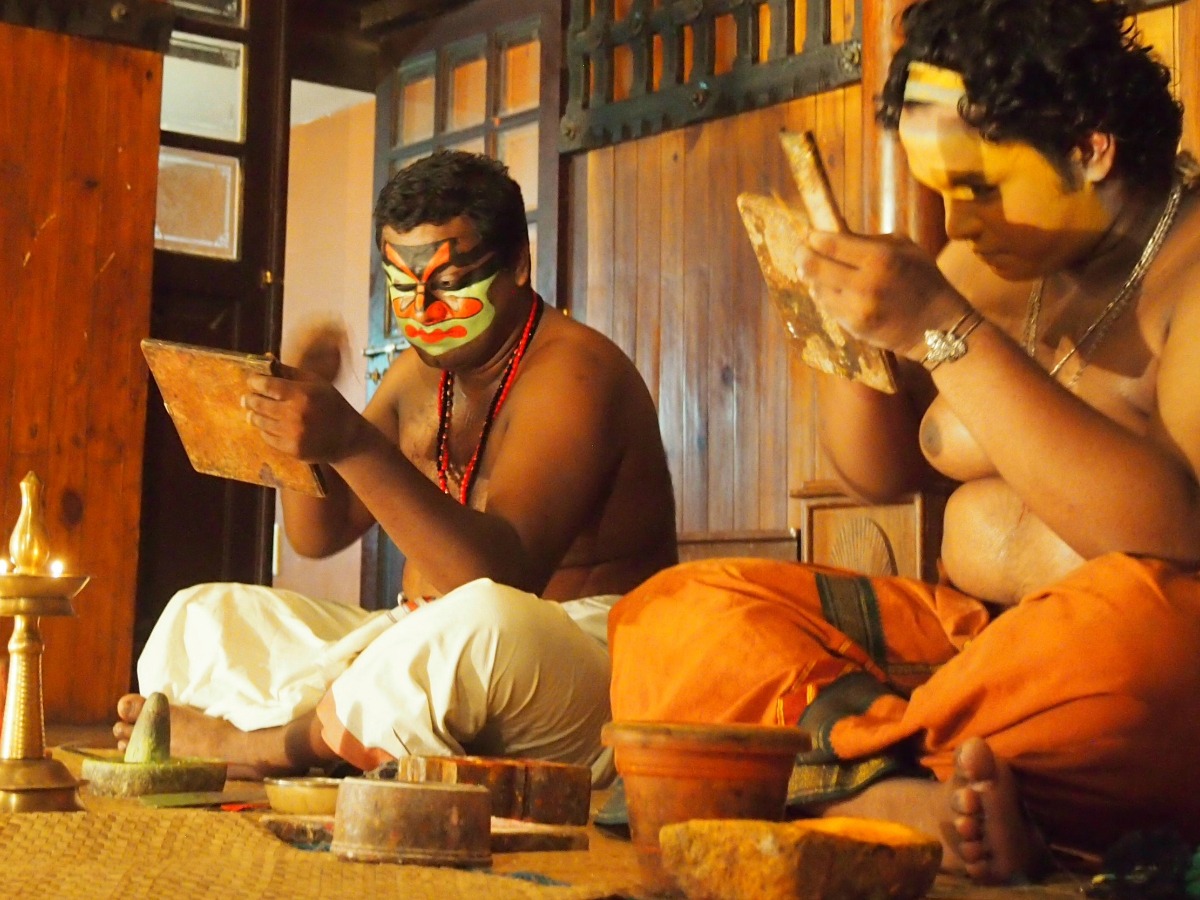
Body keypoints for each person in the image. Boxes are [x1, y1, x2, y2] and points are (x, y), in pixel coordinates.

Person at [607, 0, 1200, 884]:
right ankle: (902, 792)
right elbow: (878, 468)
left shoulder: (1186, 279)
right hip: (965, 653)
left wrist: (942, 327)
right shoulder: (986, 263)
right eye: (941, 191)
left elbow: (1176, 537)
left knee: (1142, 656)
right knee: (672, 612)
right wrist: (850, 330)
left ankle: (828, 777)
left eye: (979, 187)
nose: (956, 226)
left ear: (1090, 146)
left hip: (1087, 677)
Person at [116, 150, 678, 785]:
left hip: (575, 663)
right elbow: (318, 534)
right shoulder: (422, 376)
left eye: (446, 285)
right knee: (201, 618)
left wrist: (352, 441)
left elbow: (502, 579)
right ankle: (354, 732)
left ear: (519, 266)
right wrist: (297, 432)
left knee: (476, 627)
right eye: (403, 288)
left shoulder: (573, 375)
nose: (423, 313)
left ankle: (273, 746)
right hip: (424, 642)